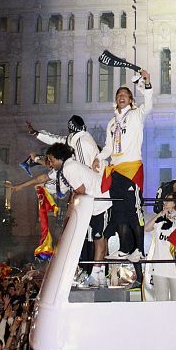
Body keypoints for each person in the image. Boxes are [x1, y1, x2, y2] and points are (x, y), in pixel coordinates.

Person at [94, 69, 153, 273]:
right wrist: (98, 158)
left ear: (131, 100)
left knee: (134, 211)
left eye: (125, 95)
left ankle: (139, 249)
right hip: (116, 170)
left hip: (132, 168)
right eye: (119, 95)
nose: (121, 97)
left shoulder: (136, 115)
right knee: (119, 212)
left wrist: (146, 82)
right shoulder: (111, 123)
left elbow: (149, 104)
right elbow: (109, 148)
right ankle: (124, 248)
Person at [44, 143, 112, 287]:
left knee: (99, 239)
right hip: (92, 206)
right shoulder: (68, 167)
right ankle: (99, 277)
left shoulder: (69, 168)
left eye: (51, 160)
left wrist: (71, 206)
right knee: (98, 239)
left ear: (59, 158)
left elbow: (80, 190)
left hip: (101, 204)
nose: (50, 163)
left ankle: (95, 275)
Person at [143, 194, 176, 301]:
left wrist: (172, 218)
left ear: (175, 203)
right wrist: (160, 215)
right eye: (164, 201)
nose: (164, 203)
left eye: (168, 201)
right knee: (161, 302)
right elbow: (146, 228)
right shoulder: (159, 220)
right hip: (159, 268)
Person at [26, 115, 98, 169]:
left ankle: (36, 159)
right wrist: (36, 133)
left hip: (92, 181)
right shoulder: (76, 138)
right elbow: (55, 139)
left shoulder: (81, 142)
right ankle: (36, 159)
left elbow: (85, 169)